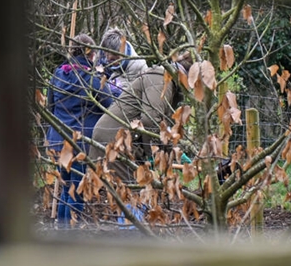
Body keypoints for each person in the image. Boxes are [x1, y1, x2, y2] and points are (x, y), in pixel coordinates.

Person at [44, 33, 121, 224]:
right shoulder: (92, 78)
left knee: (65, 188)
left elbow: (50, 107)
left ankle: (62, 234)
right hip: (79, 143)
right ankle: (70, 236)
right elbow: (109, 104)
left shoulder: (57, 73)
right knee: (76, 192)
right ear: (91, 54)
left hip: (58, 139)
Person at [90, 53, 193, 184]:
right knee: (131, 194)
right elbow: (150, 120)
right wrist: (152, 154)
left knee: (132, 194)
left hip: (120, 140)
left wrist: (175, 153)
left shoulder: (168, 83)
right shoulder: (161, 80)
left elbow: (161, 126)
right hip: (114, 141)